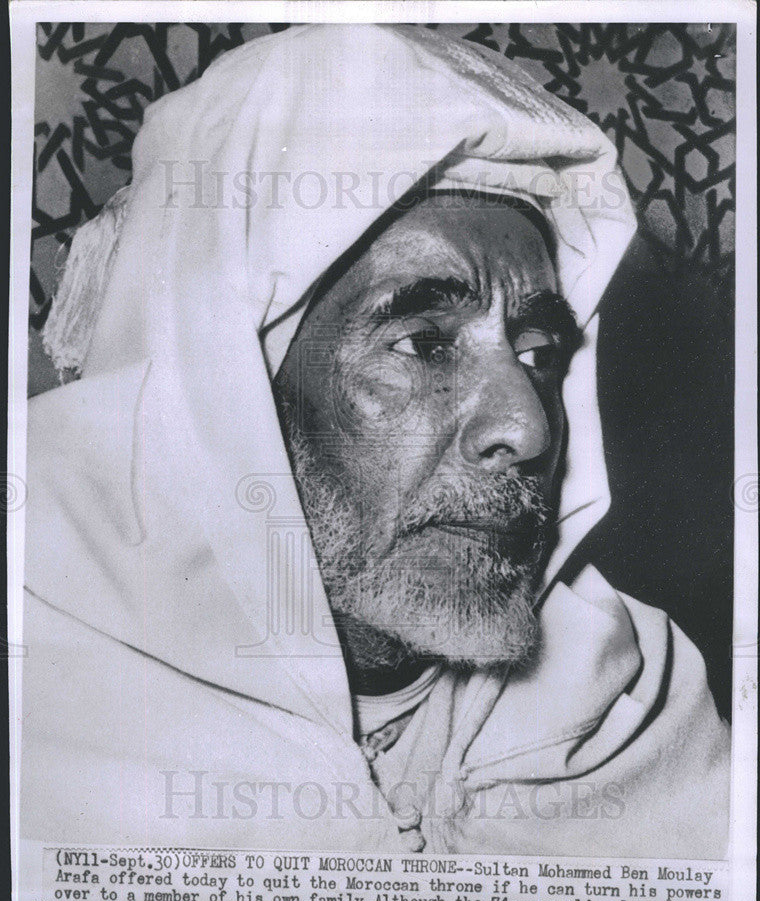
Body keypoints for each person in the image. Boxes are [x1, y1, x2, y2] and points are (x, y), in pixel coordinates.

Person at [21, 23, 729, 855]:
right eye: (422, 343)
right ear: (225, 389)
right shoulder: (41, 693)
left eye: (539, 355)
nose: (528, 429)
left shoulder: (630, 696)